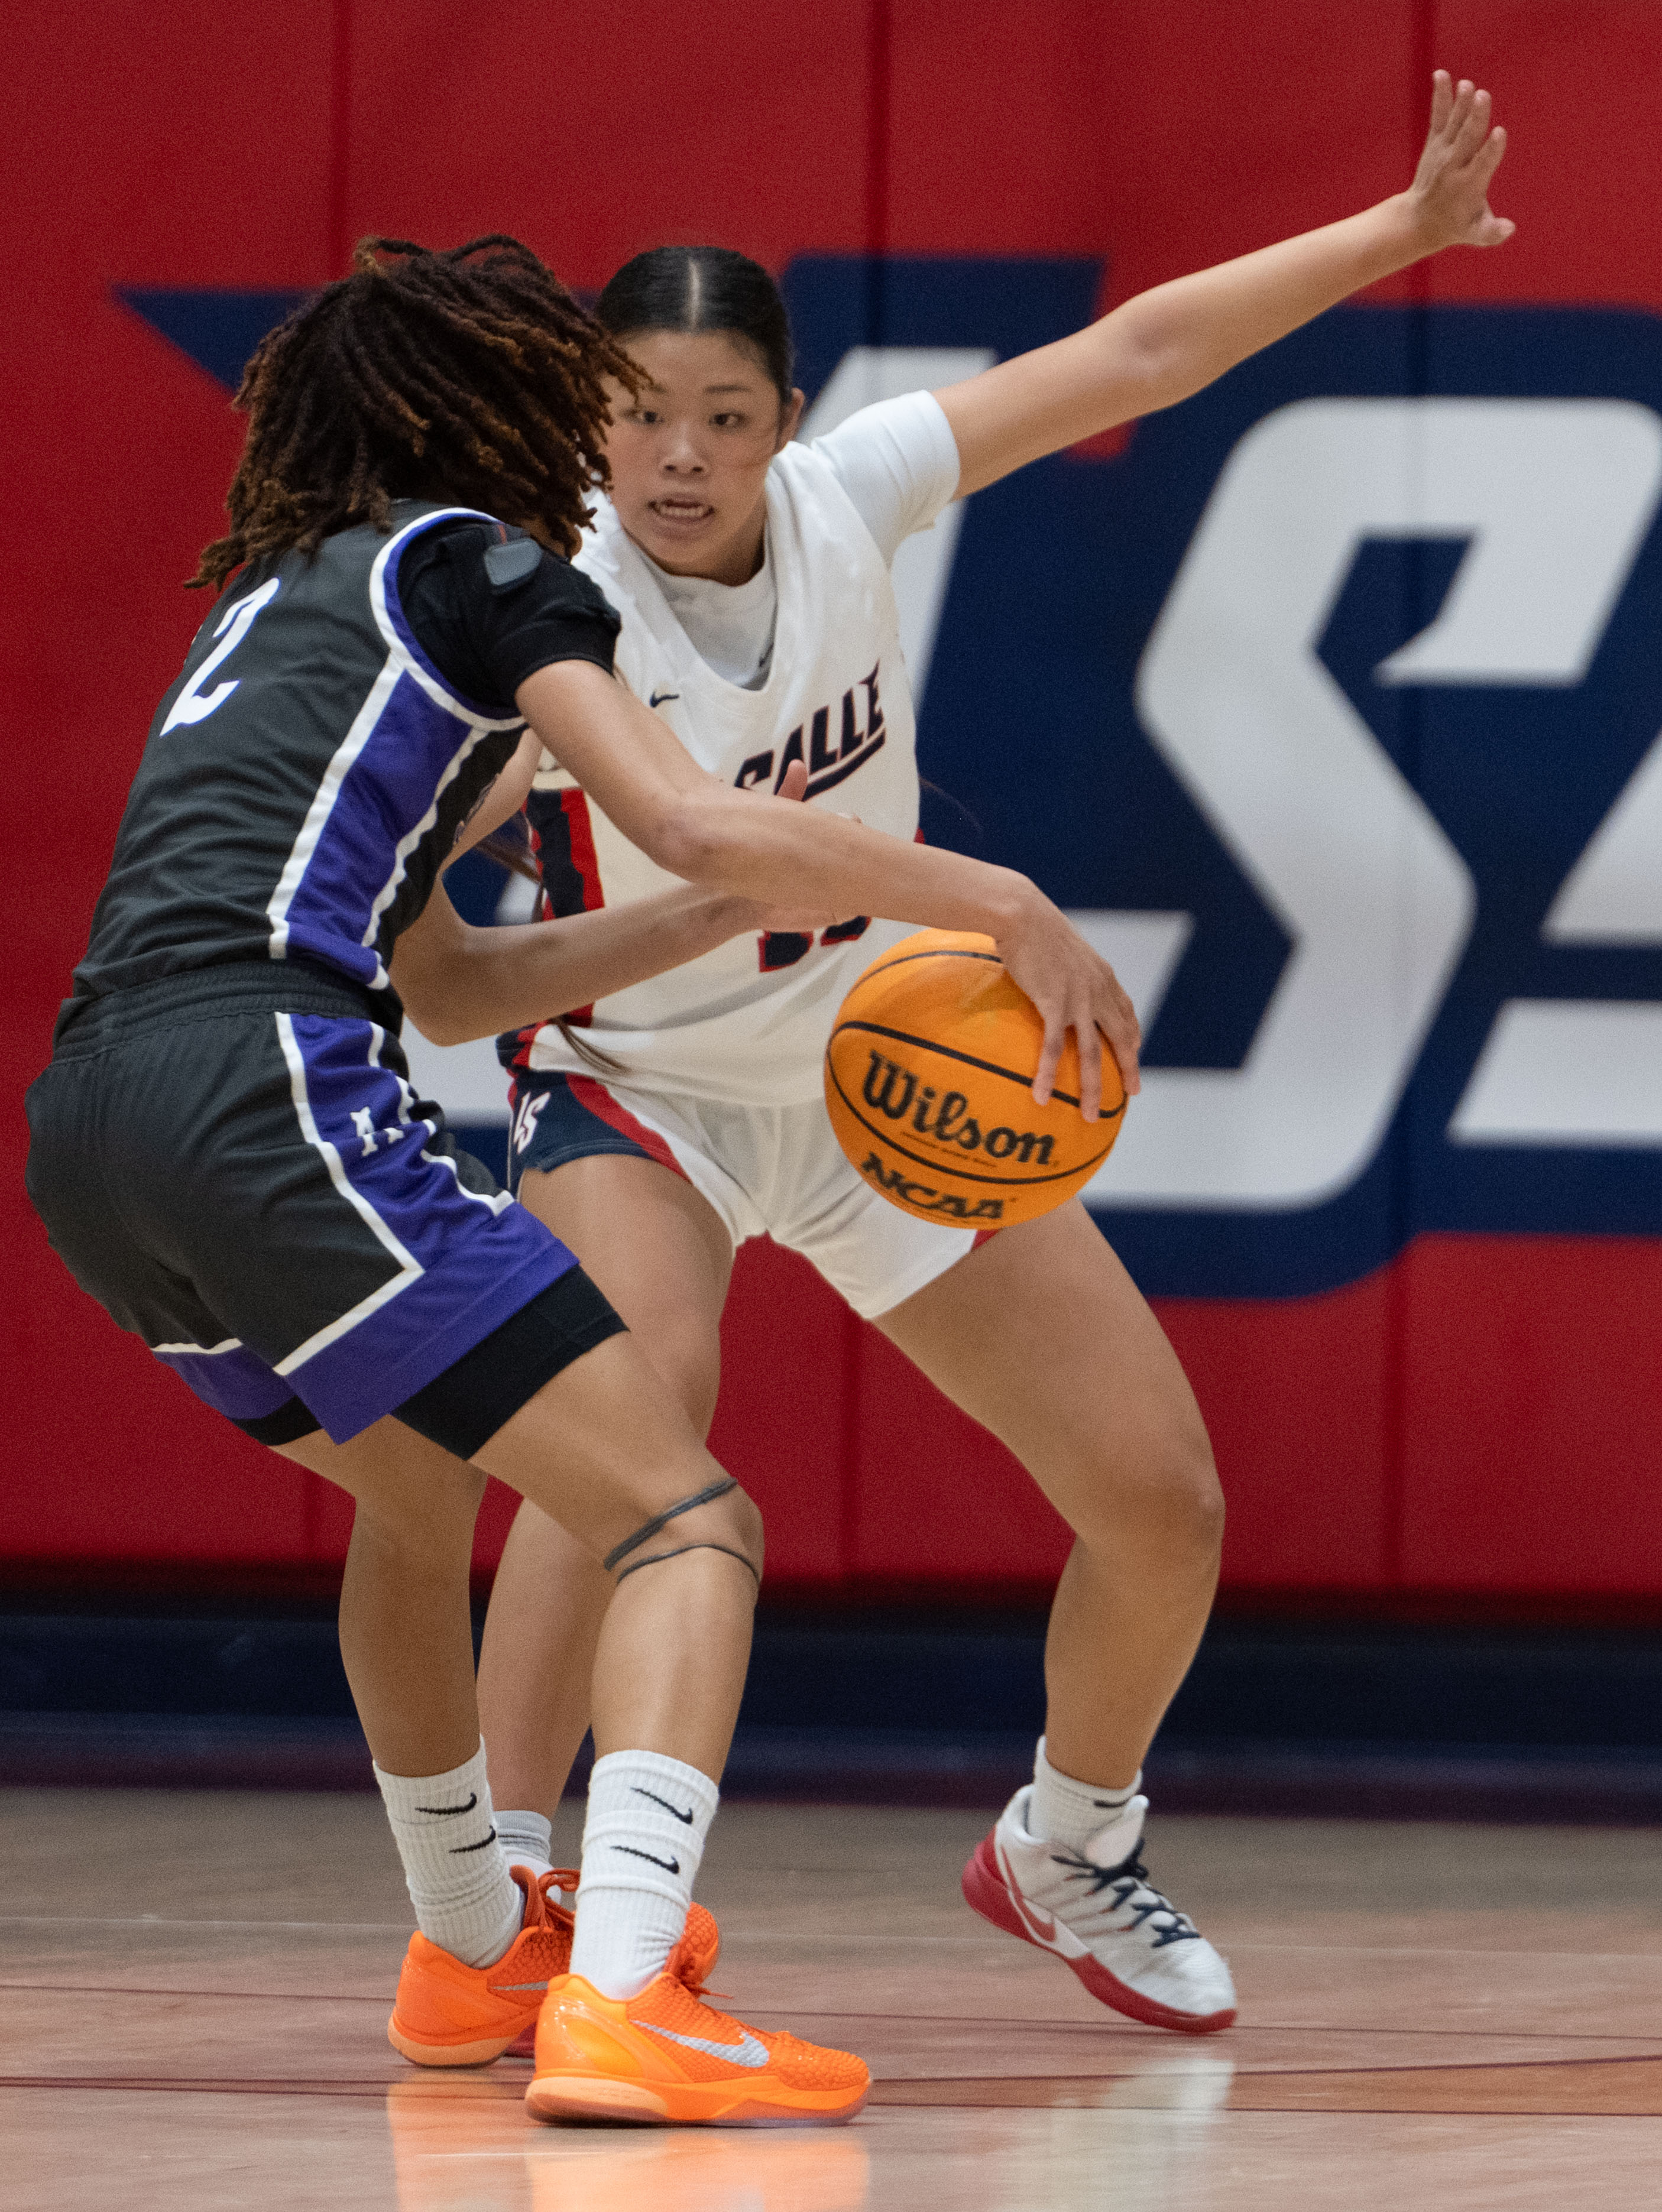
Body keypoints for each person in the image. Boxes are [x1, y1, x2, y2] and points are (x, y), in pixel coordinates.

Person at [433, 73, 1508, 2038]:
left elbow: (1142, 348)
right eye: (640, 412)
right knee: (632, 1438)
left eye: (724, 417)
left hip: (865, 1081)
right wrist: (990, 895)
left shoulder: (853, 500)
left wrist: (1396, 237)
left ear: (786, 420)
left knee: (1161, 1495)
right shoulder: (538, 599)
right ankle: (504, 1883)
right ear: (586, 413)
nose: (679, 456)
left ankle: (1067, 1844)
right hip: (634, 1089)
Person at [22, 235, 1136, 2126]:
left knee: (409, 1481)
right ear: (497, 406)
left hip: (91, 1124)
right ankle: (626, 1993)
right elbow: (688, 807)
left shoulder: (286, 589)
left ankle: (474, 1954)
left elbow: (449, 978)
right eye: (584, 397)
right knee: (685, 1522)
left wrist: (696, 918)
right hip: (263, 1083)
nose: (618, 444)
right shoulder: (487, 566)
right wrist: (994, 897)